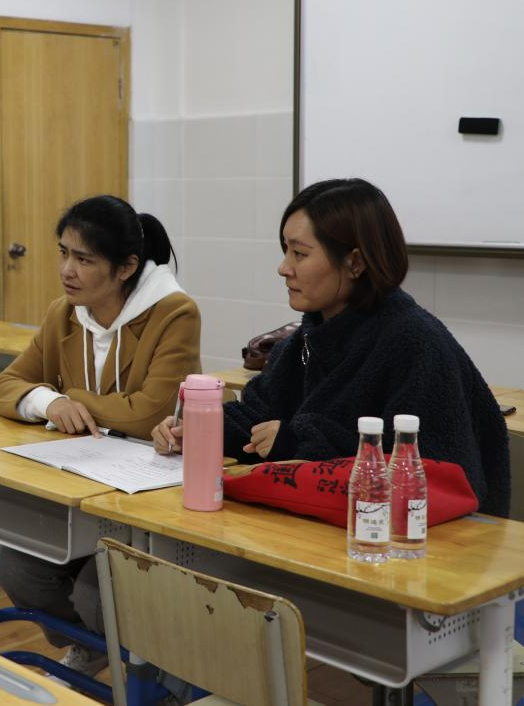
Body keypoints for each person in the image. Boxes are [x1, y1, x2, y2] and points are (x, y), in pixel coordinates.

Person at [152, 178, 510, 517]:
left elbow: (426, 472)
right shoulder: (305, 339)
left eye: (299, 253)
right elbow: (257, 416)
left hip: (406, 541)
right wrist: (199, 429)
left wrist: (296, 444)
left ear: (355, 263)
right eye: (285, 250)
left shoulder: (416, 343)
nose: (283, 268)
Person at [0, 194, 199, 680]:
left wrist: (74, 397)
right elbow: (4, 386)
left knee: (95, 592)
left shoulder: (174, 312)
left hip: (148, 495)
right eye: (64, 253)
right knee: (16, 566)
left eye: (84, 259)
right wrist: (48, 402)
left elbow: (152, 411)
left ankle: (163, 677)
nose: (67, 270)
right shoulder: (64, 313)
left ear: (126, 267)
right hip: (82, 485)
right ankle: (98, 647)